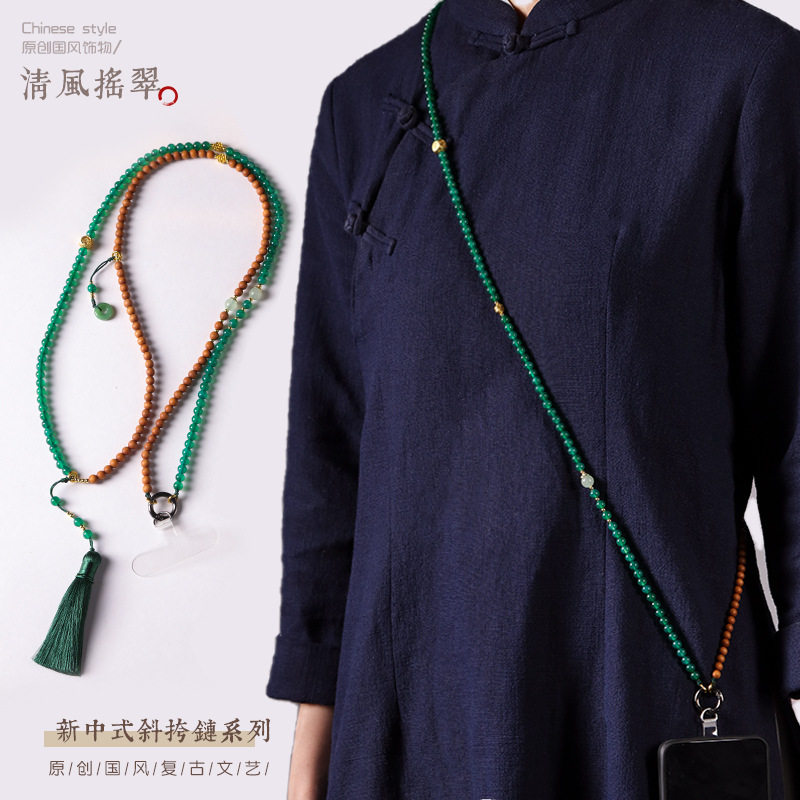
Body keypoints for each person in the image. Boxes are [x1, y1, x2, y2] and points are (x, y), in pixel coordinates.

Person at [266, 0, 800, 797]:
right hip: (408, 707)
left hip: (644, 697)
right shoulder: (365, 99)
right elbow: (331, 442)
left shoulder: (745, 66)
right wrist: (314, 739)